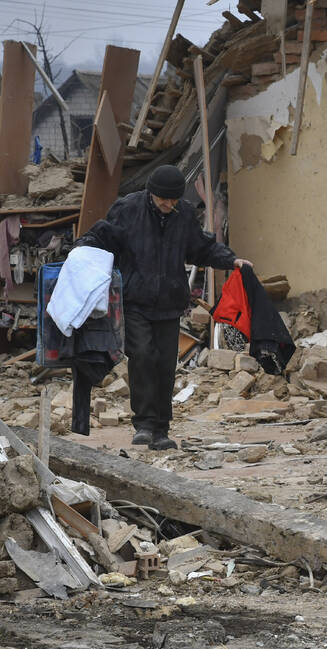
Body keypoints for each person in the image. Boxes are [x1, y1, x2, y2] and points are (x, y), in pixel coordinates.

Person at [73, 164, 252, 450]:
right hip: (135, 301)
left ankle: (161, 430)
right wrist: (82, 248)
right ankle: (144, 423)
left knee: (166, 365)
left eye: (173, 200)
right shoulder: (128, 209)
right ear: (151, 194)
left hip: (169, 302)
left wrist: (232, 260)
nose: (168, 204)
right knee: (142, 355)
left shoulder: (183, 216)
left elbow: (202, 248)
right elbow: (102, 236)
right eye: (163, 199)